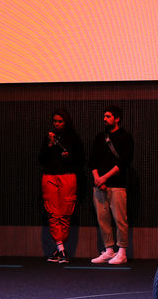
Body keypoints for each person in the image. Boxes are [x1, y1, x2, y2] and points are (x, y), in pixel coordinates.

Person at [38, 108, 84, 263]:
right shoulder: (49, 138)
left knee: (65, 213)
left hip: (67, 176)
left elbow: (80, 159)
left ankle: (59, 248)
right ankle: (61, 248)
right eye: (55, 121)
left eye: (60, 121)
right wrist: (49, 145)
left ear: (66, 122)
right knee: (53, 213)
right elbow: (41, 159)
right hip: (50, 176)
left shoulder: (73, 138)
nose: (56, 124)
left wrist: (68, 156)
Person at [89, 106, 133, 265]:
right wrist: (97, 179)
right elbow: (92, 160)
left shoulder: (125, 137)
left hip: (117, 185)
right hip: (99, 185)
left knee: (120, 219)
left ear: (117, 118)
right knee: (103, 219)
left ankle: (122, 252)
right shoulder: (99, 137)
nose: (104, 119)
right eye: (104, 116)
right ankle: (109, 250)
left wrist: (104, 178)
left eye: (108, 116)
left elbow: (124, 162)